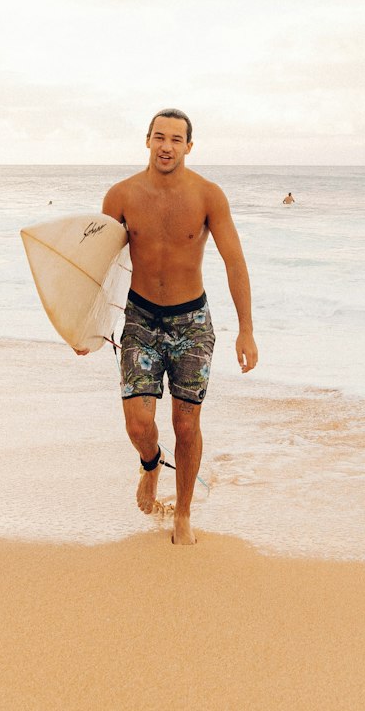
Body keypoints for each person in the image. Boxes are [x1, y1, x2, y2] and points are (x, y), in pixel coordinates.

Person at [100, 109, 257, 545]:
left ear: (189, 146)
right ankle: (151, 465)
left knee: (186, 425)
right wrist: (87, 328)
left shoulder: (208, 196)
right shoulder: (120, 196)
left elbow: (234, 262)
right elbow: (101, 267)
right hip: (141, 317)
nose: (166, 146)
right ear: (147, 141)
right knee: (137, 424)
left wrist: (246, 329)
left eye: (176, 139)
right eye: (159, 137)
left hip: (192, 323)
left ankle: (183, 513)